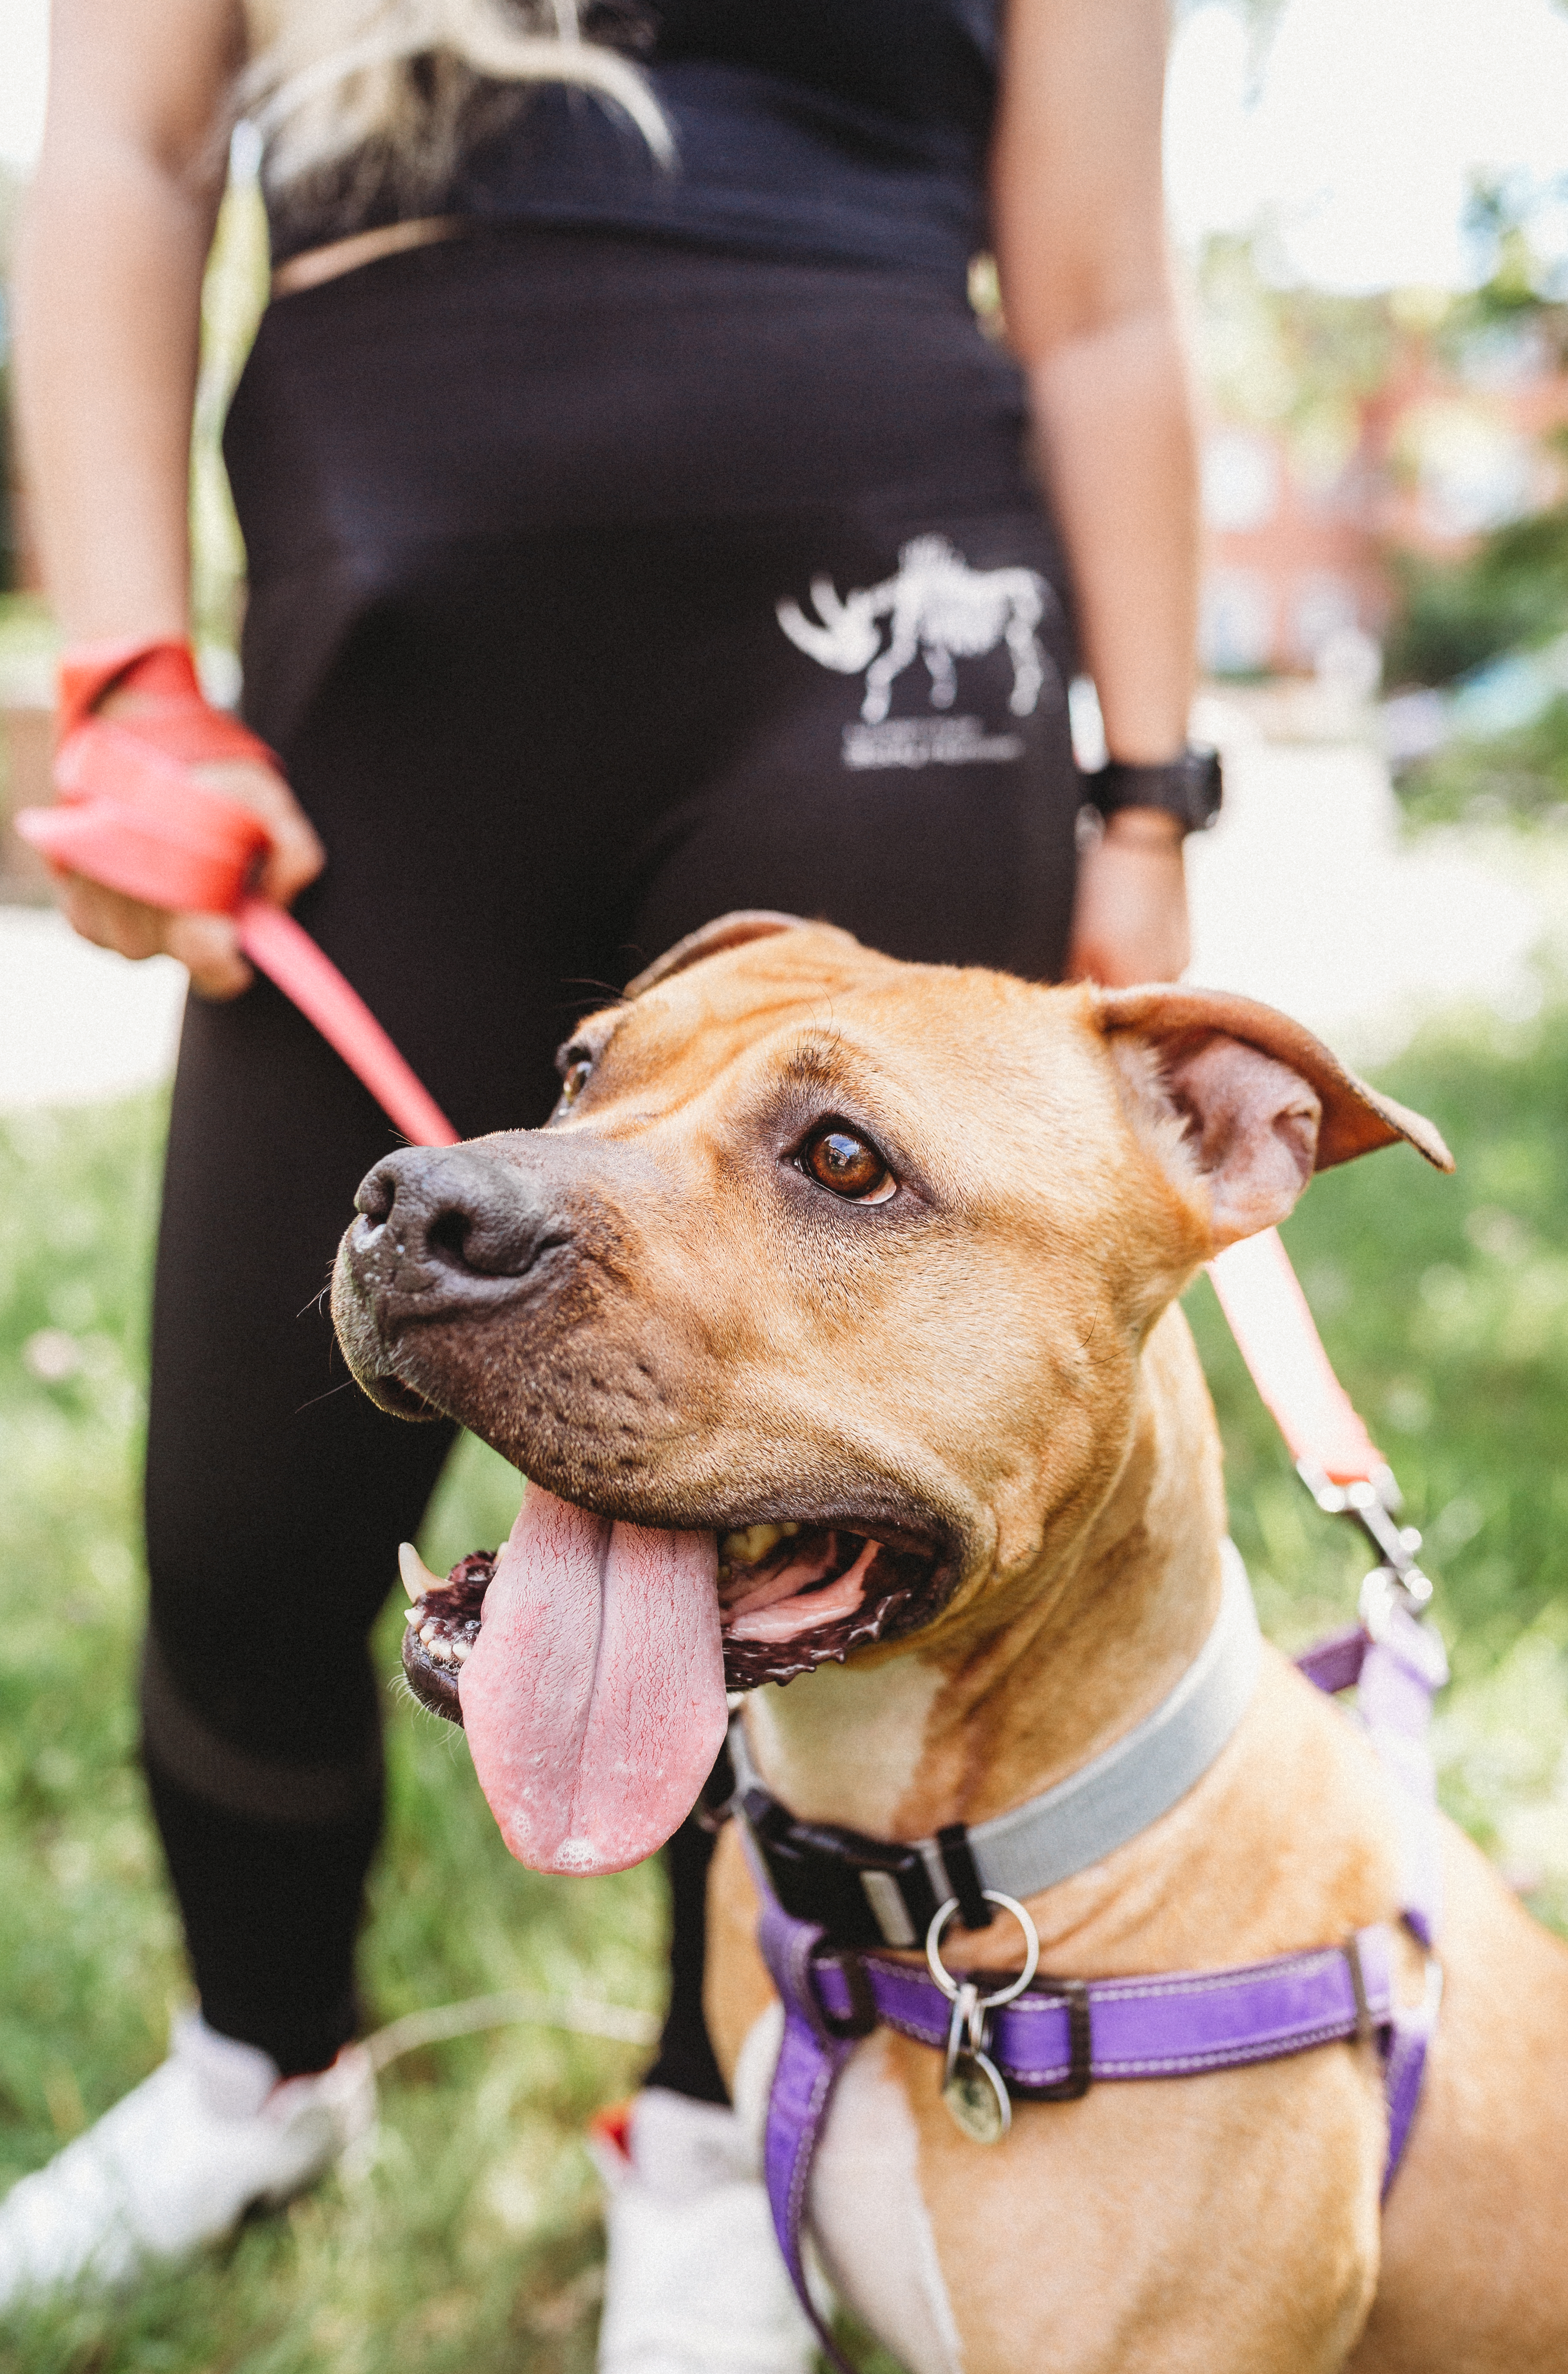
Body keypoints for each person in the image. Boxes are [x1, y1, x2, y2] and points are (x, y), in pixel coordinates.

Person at [6, 0, 1210, 2359]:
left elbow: (1100, 284)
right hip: (386, 646)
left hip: (877, 621)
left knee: (780, 1483)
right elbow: (124, 153)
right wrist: (125, 667)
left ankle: (705, 2111)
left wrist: (1150, 801)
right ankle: (258, 2064)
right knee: (251, 1500)